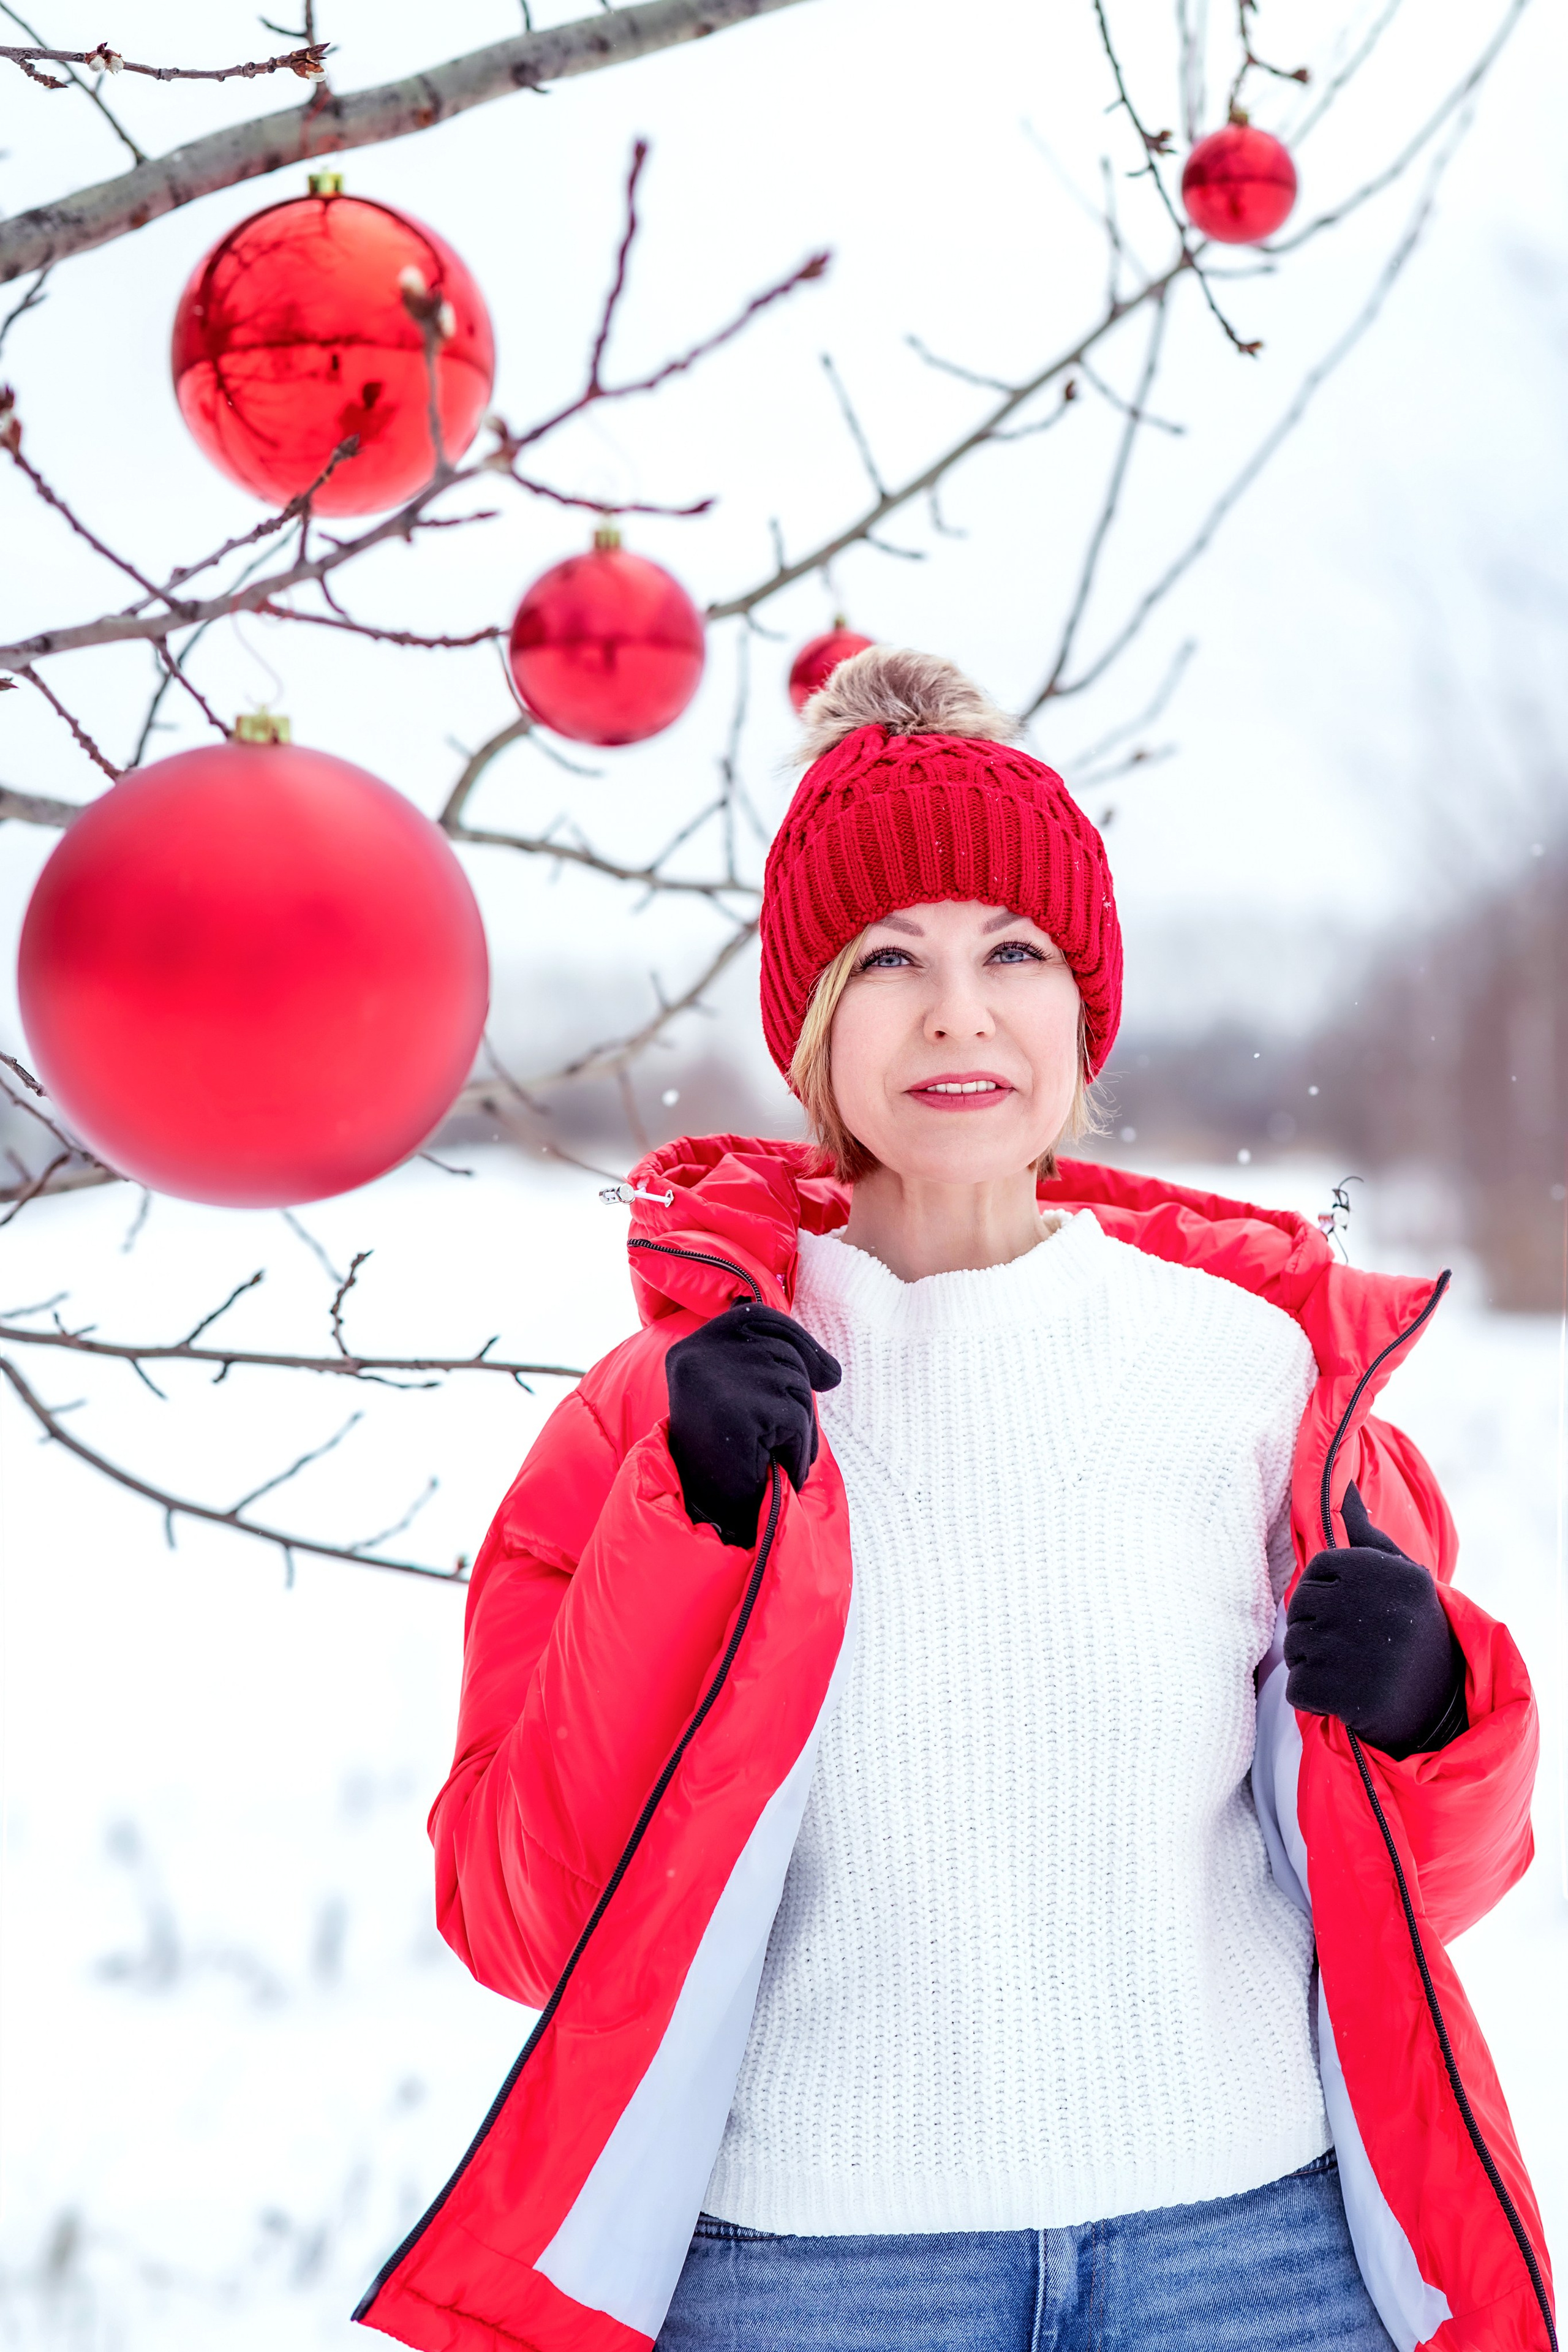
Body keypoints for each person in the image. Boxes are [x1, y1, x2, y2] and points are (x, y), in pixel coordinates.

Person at [355, 650, 1551, 2352]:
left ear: (1085, 1011)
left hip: (1253, 2260)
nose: (959, 1013)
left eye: (1014, 954)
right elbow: (520, 1916)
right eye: (887, 962)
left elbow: (1431, 1889)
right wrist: (685, 1527)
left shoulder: (1268, 1385)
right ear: (810, 1029)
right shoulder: (665, 1425)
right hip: (814, 2281)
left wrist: (1442, 1712)